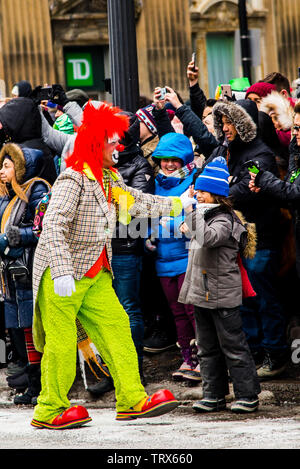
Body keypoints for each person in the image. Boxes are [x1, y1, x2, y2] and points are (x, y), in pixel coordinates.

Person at [30, 101, 192, 430]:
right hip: (63, 273)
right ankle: (49, 408)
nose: (117, 145)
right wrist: (60, 270)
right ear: (95, 143)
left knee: (117, 329)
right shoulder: (73, 179)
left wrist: (177, 203)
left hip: (95, 271)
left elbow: (137, 202)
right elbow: (54, 225)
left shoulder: (108, 179)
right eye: (111, 140)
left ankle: (131, 398)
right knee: (61, 343)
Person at [178, 157, 261, 413]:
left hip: (222, 294)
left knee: (233, 346)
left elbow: (208, 238)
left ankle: (248, 395)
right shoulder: (206, 215)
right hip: (203, 292)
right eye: (197, 190)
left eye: (202, 191)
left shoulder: (225, 219)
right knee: (206, 347)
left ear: (216, 194)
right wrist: (190, 219)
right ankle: (213, 394)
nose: (198, 195)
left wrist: (190, 213)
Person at [146, 130, 200, 383]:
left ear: (185, 159)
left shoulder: (193, 182)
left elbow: (192, 219)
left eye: (174, 160)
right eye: (164, 159)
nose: (168, 164)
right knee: (177, 313)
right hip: (162, 261)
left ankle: (202, 361)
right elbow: (146, 215)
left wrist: (163, 225)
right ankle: (187, 360)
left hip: (186, 258)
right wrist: (148, 234)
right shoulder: (154, 184)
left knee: (193, 311)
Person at [0, 143, 51, 405]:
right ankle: (31, 385)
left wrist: (19, 235)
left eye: (7, 166)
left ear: (21, 168)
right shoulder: (6, 195)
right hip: (10, 274)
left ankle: (41, 386)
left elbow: (44, 228)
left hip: (30, 269)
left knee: (34, 328)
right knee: (19, 329)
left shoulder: (37, 189)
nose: (1, 171)